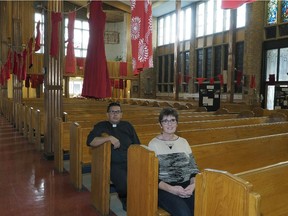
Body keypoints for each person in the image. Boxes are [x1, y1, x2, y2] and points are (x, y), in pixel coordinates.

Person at [86, 102, 140, 211]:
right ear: (107, 114)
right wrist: (108, 138)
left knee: (145, 177)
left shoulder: (127, 126)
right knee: (124, 184)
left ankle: (139, 200)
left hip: (131, 160)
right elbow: (90, 141)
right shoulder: (101, 126)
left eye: (118, 112)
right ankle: (125, 199)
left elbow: (137, 144)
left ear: (121, 114)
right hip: (113, 164)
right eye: (112, 112)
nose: (115, 114)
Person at [148, 107, 200, 216]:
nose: (169, 124)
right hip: (165, 189)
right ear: (160, 124)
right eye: (165, 121)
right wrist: (172, 189)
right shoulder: (153, 144)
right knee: (184, 213)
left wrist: (193, 185)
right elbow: (152, 177)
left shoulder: (183, 142)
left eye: (173, 120)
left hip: (187, 186)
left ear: (177, 123)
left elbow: (193, 169)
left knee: (201, 208)